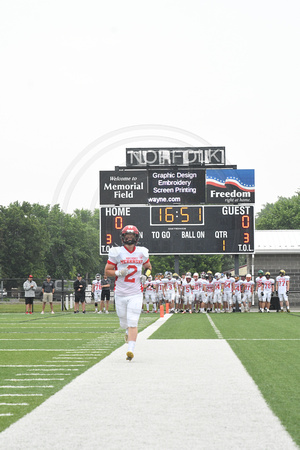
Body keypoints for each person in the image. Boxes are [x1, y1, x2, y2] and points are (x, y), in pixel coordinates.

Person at [105, 225, 151, 361]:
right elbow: (107, 271)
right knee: (123, 322)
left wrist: (146, 276)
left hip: (136, 292)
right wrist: (118, 272)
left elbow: (148, 267)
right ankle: (126, 332)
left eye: (132, 236)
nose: (129, 238)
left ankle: (130, 350)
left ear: (136, 238)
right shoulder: (117, 252)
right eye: (127, 236)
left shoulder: (142, 252)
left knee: (133, 321)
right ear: (123, 237)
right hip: (120, 293)